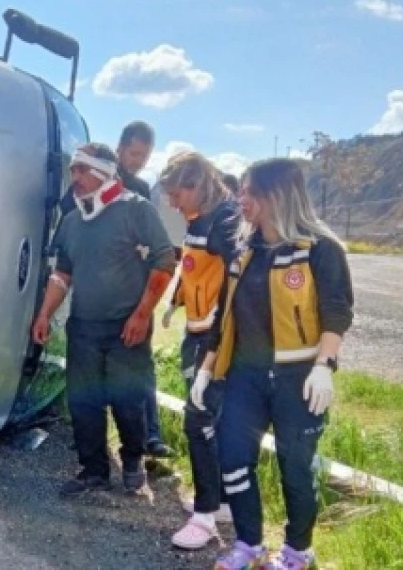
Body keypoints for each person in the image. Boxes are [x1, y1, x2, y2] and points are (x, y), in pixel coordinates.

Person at [191, 158, 354, 570]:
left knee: (295, 465)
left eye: (248, 191)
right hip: (245, 376)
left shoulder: (320, 249)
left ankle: (298, 553)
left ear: (275, 196)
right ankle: (249, 545)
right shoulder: (244, 250)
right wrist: (208, 367)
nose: (240, 199)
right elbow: (224, 313)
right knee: (232, 457)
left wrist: (324, 365)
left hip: (297, 377)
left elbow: (337, 312)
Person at [32, 142, 177, 497]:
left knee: (128, 402)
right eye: (73, 170)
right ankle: (93, 470)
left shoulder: (136, 210)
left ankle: (132, 461)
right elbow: (62, 274)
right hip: (83, 327)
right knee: (83, 402)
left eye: (82, 170)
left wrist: (142, 315)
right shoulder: (72, 221)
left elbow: (164, 262)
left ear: (104, 174)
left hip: (127, 327)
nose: (75, 177)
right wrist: (44, 313)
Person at [155, 152, 242, 550]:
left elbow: (238, 278)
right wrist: (177, 300)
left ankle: (205, 516)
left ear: (196, 186)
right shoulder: (197, 219)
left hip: (215, 338)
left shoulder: (226, 220)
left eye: (177, 194)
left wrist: (218, 338)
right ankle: (220, 500)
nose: (173, 203)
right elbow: (191, 266)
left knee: (198, 420)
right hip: (197, 330)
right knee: (210, 418)